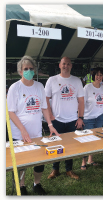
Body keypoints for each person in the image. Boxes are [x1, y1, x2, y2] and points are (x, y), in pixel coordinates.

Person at [7, 55, 60, 195]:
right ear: (20, 71)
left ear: (35, 70)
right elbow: (11, 112)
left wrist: (50, 124)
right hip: (19, 134)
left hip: (36, 133)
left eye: (31, 69)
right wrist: (23, 130)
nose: (28, 71)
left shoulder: (39, 86)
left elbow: (44, 107)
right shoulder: (14, 88)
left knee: (39, 161)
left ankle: (37, 184)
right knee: (22, 162)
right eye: (25, 69)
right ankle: (22, 186)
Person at [45, 56, 84, 180]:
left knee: (70, 146)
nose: (65, 66)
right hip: (57, 119)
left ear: (71, 66)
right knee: (56, 145)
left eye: (68, 64)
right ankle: (55, 169)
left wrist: (80, 117)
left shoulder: (77, 81)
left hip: (72, 119)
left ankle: (69, 170)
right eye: (63, 64)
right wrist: (50, 115)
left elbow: (81, 101)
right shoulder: (52, 80)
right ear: (59, 65)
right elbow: (45, 100)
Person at [81, 68, 103, 170]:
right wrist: (80, 117)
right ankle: (83, 161)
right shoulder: (87, 87)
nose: (99, 77)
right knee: (87, 139)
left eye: (100, 75)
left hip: (100, 117)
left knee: (95, 138)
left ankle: (90, 159)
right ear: (93, 76)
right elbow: (81, 103)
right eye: (97, 75)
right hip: (88, 118)